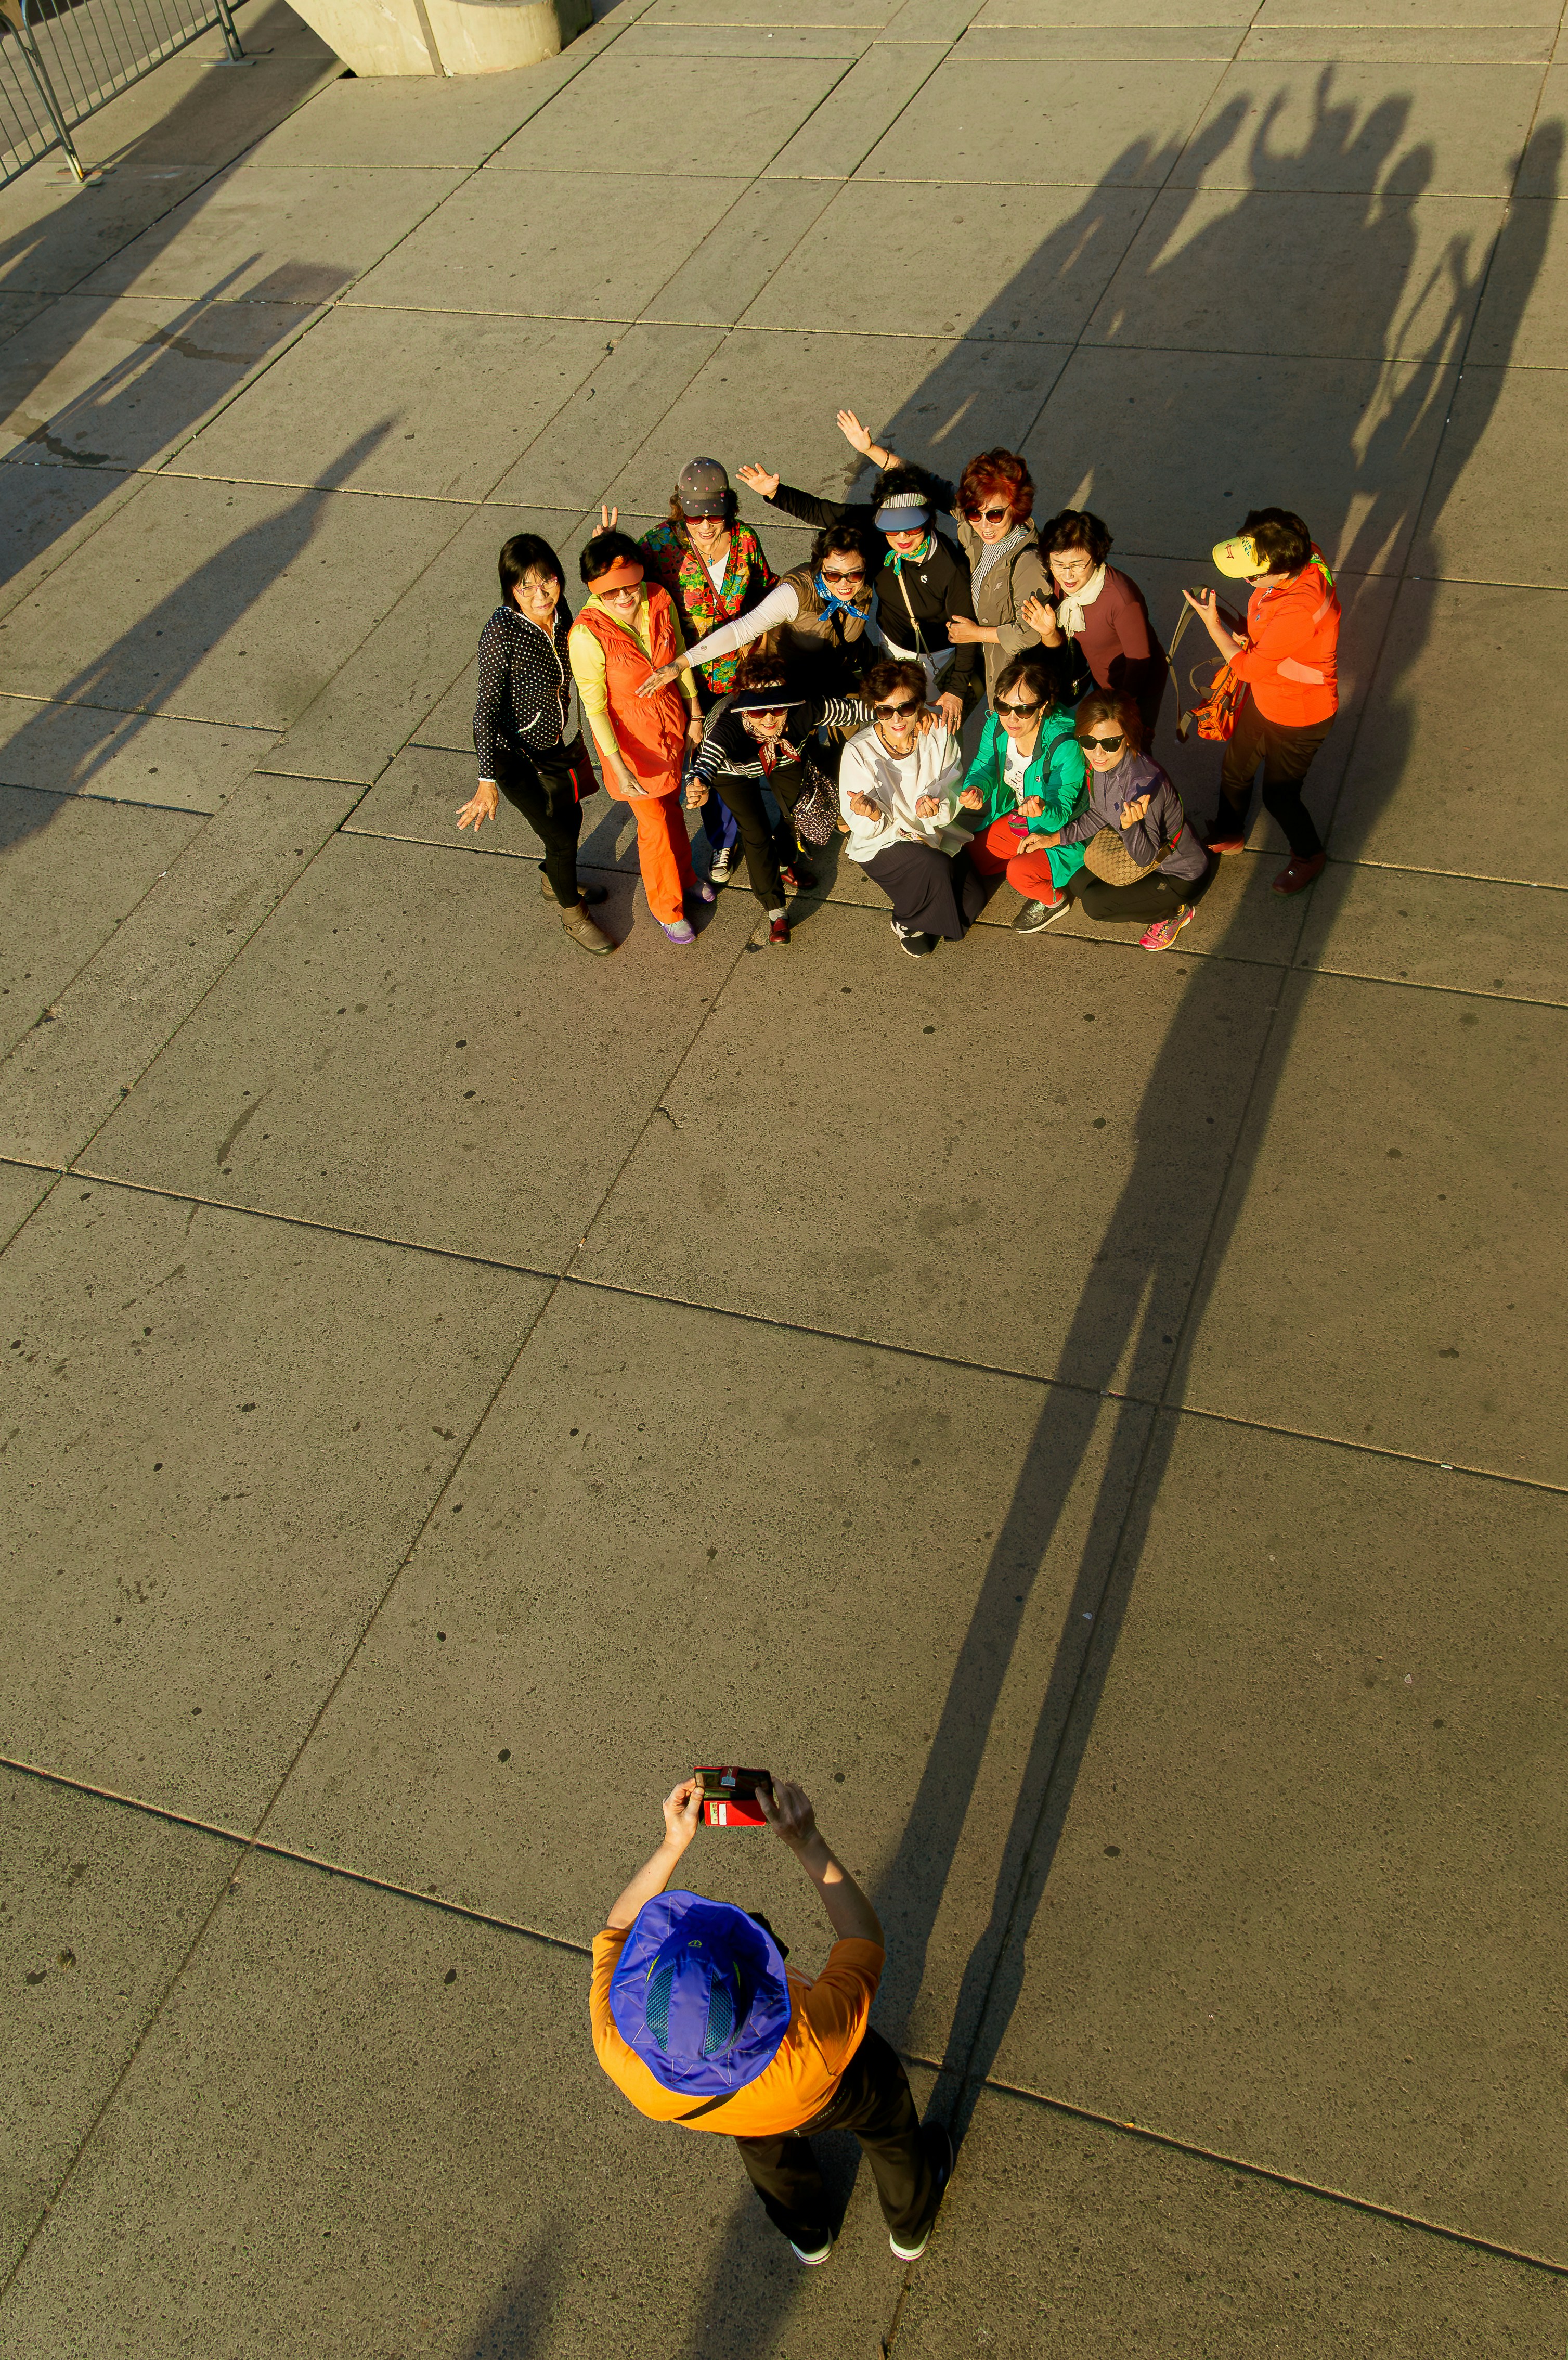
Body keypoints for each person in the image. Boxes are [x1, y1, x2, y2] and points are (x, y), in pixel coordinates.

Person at [590, 1771, 954, 2267]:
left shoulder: (617, 2045)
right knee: (886, 2117)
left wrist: (673, 1841)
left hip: (733, 2111)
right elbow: (863, 1939)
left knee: (767, 2154)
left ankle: (810, 2236)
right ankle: (909, 2226)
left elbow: (616, 1931)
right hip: (827, 2093)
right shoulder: (813, 2038)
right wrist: (806, 1841)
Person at [737, 440, 979, 729]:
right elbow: (821, 511)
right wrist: (775, 493)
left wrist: (956, 690)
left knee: (935, 732)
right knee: (892, 726)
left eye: (912, 528)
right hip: (889, 646)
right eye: (892, 528)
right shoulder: (871, 529)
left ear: (929, 521)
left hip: (935, 657)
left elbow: (966, 633)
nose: (901, 537)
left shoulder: (950, 567)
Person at [457, 534, 615, 955]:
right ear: (511, 589)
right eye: (525, 586)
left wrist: (603, 550)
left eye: (547, 580)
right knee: (560, 835)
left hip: (555, 746)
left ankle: (555, 878)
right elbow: (484, 711)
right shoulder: (500, 633)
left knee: (573, 814)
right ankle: (573, 915)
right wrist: (486, 781)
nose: (539, 593)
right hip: (512, 756)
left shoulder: (559, 612)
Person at [835, 420, 1051, 711]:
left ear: (1018, 507)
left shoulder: (1028, 561)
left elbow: (1029, 631)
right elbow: (928, 484)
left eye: (996, 515)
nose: (984, 525)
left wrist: (977, 634)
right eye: (975, 513)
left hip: (1016, 683)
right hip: (985, 666)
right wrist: (872, 450)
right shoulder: (974, 527)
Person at [1183, 509, 1341, 894]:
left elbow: (1248, 670)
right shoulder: (1304, 552)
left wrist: (1213, 626)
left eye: (1254, 575)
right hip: (1268, 696)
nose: (1248, 579)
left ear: (1283, 566)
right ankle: (1229, 832)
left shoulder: (1298, 607)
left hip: (1299, 714)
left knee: (1280, 795)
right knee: (1235, 767)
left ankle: (1308, 855)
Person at [635, 459, 775, 884]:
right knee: (703, 759)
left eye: (714, 514)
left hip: (741, 672)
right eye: (696, 515)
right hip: (688, 680)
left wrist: (764, 661)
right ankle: (724, 840)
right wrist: (609, 552)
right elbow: (629, 595)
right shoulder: (657, 545)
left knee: (741, 753)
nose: (706, 524)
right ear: (681, 508)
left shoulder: (746, 539)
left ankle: (757, 834)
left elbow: (765, 594)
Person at [567, 533, 709, 947]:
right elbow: (595, 709)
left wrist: (695, 712)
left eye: (628, 583)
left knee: (674, 812)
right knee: (654, 827)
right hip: (631, 748)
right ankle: (667, 907)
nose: (624, 595)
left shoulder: (658, 598)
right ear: (594, 590)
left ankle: (684, 878)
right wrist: (618, 767)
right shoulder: (586, 635)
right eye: (610, 591)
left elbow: (680, 654)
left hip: (670, 730)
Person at [688, 651, 876, 945]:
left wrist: (904, 708)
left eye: (778, 709)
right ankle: (776, 911)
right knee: (755, 833)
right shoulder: (729, 724)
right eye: (758, 711)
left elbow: (858, 711)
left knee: (797, 810)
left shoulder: (806, 708)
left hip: (783, 756)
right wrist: (697, 783)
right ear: (743, 710)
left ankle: (786, 862)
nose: (768, 719)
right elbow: (708, 758)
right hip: (731, 770)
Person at [1032, 691, 1210, 951]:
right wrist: (1054, 838)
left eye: (1111, 743)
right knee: (1078, 882)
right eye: (1088, 740)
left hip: (1178, 872)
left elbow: (1145, 858)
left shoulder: (1142, 787)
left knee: (1095, 906)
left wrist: (1130, 826)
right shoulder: (1100, 767)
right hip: (1145, 856)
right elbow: (1098, 813)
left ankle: (1175, 912)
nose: (1098, 752)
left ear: (1129, 738)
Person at [838, 660, 978, 957]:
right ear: (875, 709)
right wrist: (872, 813)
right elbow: (859, 821)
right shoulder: (858, 750)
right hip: (883, 841)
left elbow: (951, 785)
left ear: (920, 704)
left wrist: (934, 806)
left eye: (906, 708)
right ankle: (907, 919)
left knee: (972, 902)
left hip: (931, 832)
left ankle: (927, 907)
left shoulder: (939, 735)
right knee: (934, 866)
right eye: (885, 710)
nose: (896, 719)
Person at [956, 654, 1087, 933]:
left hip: (1064, 833)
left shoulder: (1065, 743)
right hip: (1020, 820)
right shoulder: (996, 724)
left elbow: (1063, 812)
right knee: (970, 858)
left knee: (1019, 874)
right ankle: (1031, 865)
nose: (1011, 718)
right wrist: (977, 786)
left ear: (1043, 707)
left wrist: (1042, 811)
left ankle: (1056, 900)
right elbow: (985, 765)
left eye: (1024, 710)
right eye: (1003, 706)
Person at [1020, 510, 1168, 736]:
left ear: (1097, 555)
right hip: (1100, 679)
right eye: (1058, 564)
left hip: (1134, 690)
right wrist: (1049, 633)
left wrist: (1118, 714)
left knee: (1130, 750)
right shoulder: (1060, 584)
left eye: (1078, 565)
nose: (1068, 575)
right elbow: (1066, 649)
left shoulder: (1122, 599)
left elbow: (1139, 664)